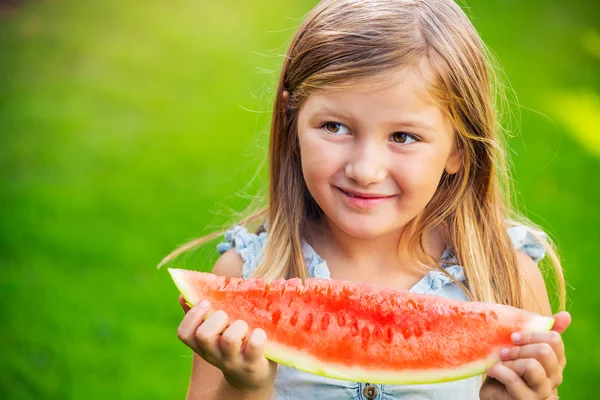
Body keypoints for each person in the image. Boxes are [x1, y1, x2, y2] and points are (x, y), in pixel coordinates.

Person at [161, 0, 571, 398]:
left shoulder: (506, 277)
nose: (365, 169)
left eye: (403, 137)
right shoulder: (246, 272)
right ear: (292, 121)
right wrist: (245, 387)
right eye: (335, 126)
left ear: (458, 149)